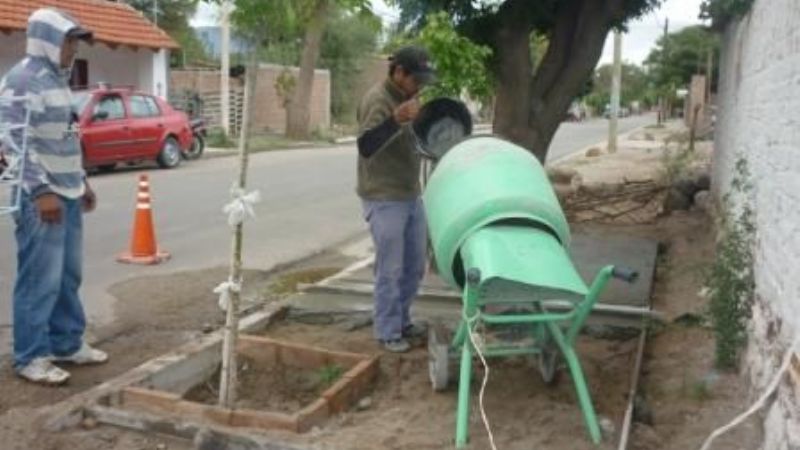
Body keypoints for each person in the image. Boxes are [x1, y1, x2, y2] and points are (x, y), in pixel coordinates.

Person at [1, 8, 107, 385]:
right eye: (68, 41)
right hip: (41, 197)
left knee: (67, 275)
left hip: (69, 190)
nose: (73, 48)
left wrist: (83, 181)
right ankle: (30, 355)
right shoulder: (23, 79)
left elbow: (67, 137)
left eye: (75, 41)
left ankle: (66, 343)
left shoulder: (59, 80)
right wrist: (41, 191)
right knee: (39, 279)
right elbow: (12, 141)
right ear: (46, 40)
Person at [356, 46, 436, 353]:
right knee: (390, 269)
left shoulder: (408, 98)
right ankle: (388, 331)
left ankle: (402, 320)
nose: (420, 87)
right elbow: (365, 145)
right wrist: (395, 119)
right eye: (417, 80)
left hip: (410, 193)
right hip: (384, 197)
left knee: (414, 265)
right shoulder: (378, 100)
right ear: (399, 72)